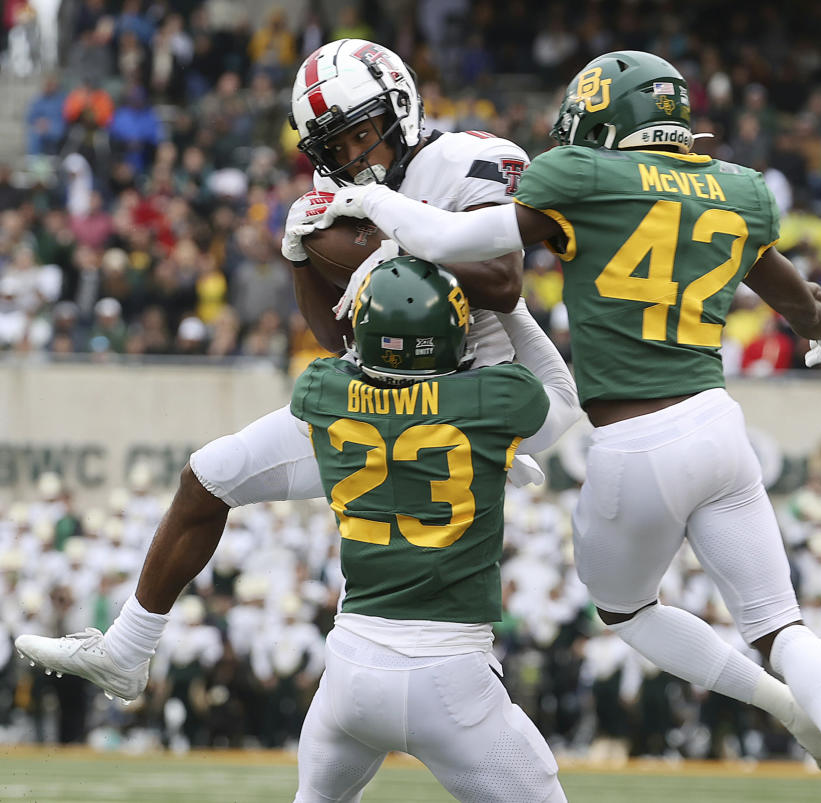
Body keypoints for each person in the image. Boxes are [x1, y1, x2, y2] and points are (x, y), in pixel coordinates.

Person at [315, 50, 821, 803]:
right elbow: (801, 301)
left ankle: (775, 706)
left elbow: (452, 245)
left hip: (633, 442)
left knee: (630, 609)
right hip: (718, 427)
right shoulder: (734, 187)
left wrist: (367, 207)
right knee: (781, 624)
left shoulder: (582, 177)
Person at [10, 36, 541, 705]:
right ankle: (128, 647)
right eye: (333, 149)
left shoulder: (469, 160)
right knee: (208, 475)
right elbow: (337, 332)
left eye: (361, 135)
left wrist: (388, 231)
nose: (351, 159)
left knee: (393, 625)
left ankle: (473, 697)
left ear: (399, 107)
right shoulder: (338, 189)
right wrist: (300, 256)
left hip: (461, 413)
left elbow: (501, 279)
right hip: (372, 402)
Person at [18, 257, 579, 802]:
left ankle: (130, 642)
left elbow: (339, 350)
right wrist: (508, 305)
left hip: (351, 676)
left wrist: (310, 260)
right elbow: (562, 395)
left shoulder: (324, 389)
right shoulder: (494, 399)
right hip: (452, 682)